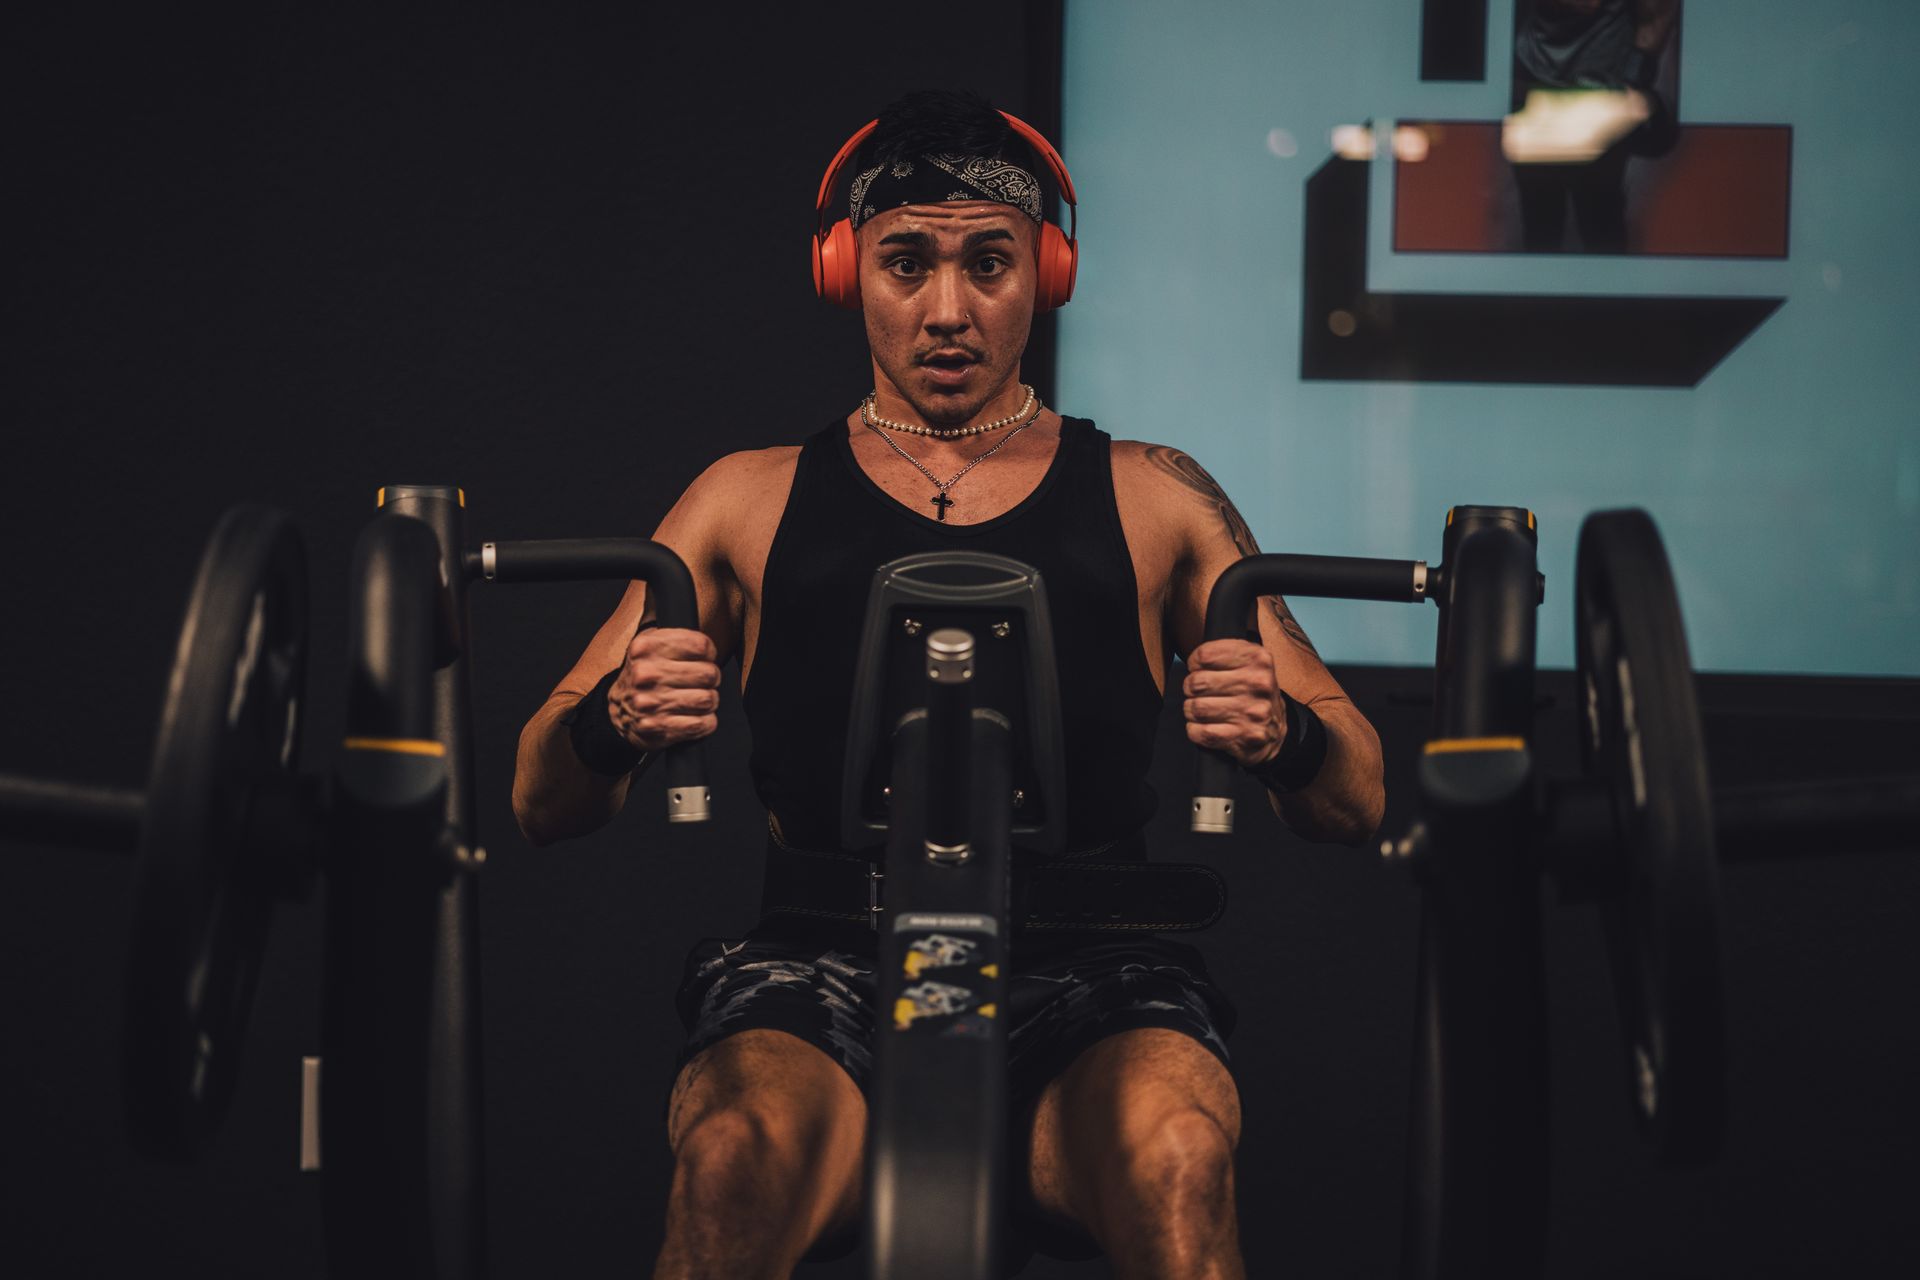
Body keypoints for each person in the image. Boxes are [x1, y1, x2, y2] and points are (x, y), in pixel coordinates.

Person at [511, 90, 1385, 1280]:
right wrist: (616, 722)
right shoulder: (743, 498)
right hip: (823, 967)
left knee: (1178, 1153)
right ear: (843, 272)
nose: (948, 311)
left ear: (1049, 272)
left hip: (1094, 977)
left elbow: (1361, 794)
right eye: (905, 263)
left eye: (990, 263)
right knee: (730, 1157)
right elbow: (536, 792)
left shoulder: (1158, 492)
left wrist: (1282, 735)